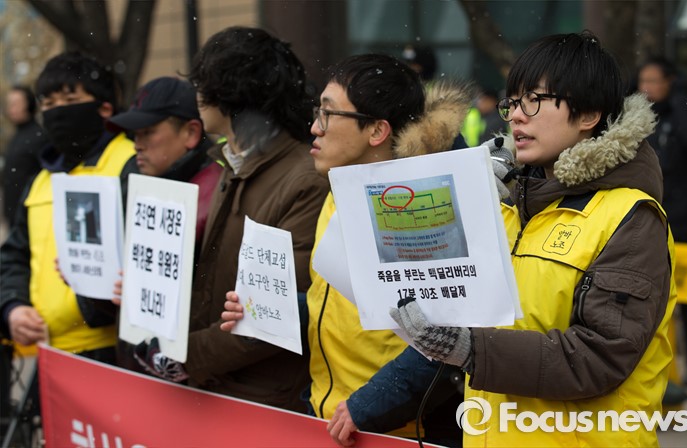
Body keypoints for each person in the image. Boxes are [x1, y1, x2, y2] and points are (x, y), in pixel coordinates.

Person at [392, 31, 676, 447]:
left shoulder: (631, 217)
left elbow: (601, 356)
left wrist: (472, 350)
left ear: (588, 114)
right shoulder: (507, 204)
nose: (516, 117)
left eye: (534, 100)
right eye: (512, 103)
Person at [222, 54, 473, 447]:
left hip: (401, 433)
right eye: (317, 112)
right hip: (335, 421)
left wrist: (369, 405)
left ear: (376, 130)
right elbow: (340, 307)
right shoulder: (339, 192)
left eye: (328, 114)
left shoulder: (422, 207)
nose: (314, 128)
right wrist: (266, 310)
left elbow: (449, 339)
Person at [135, 26, 329, 411]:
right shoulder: (233, 163)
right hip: (219, 389)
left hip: (264, 400)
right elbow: (215, 282)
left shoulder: (304, 181)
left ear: (230, 92)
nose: (197, 95)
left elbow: (275, 315)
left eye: (203, 84)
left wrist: (187, 354)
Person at [0, 52, 137, 365]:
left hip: (113, 354)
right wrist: (13, 307)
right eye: (49, 104)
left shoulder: (131, 165)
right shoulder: (41, 179)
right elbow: (15, 254)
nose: (58, 112)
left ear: (104, 108)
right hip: (50, 352)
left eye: (70, 100)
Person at [99, 76, 221, 373]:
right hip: (142, 369)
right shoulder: (140, 185)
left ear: (191, 132)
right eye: (134, 135)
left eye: (148, 132)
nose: (137, 145)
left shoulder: (218, 194)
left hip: (188, 377)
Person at [638, 56, 687, 388]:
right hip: (648, 219)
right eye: (643, 81)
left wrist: (679, 101)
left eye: (654, 81)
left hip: (682, 219)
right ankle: (662, 370)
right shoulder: (639, 116)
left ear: (670, 82)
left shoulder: (682, 114)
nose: (647, 88)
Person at [2, 85, 50, 226]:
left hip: (31, 215)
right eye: (10, 104)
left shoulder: (40, 136)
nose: (12, 108)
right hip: (14, 214)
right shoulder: (16, 135)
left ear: (29, 104)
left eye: (16, 103)